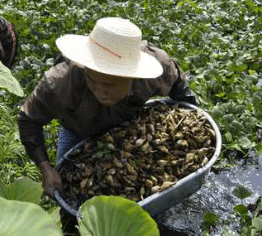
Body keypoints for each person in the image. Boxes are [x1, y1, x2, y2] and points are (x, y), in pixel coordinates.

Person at [17, 17, 197, 197]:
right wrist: (45, 168)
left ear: (132, 77)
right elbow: (28, 120)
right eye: (92, 81)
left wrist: (194, 124)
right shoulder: (62, 81)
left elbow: (179, 85)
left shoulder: (156, 69)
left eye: (109, 85)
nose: (100, 91)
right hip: (79, 130)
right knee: (69, 188)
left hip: (130, 127)